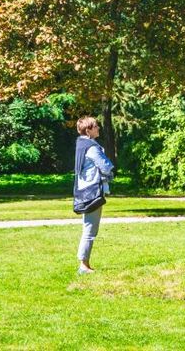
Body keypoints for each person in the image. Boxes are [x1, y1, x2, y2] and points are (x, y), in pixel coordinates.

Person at [74, 116, 114, 274]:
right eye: (96, 126)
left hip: (83, 191)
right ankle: (83, 265)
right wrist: (110, 172)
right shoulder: (91, 147)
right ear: (88, 130)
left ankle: (85, 264)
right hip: (92, 192)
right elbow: (105, 166)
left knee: (88, 228)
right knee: (90, 230)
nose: (98, 128)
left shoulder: (80, 144)